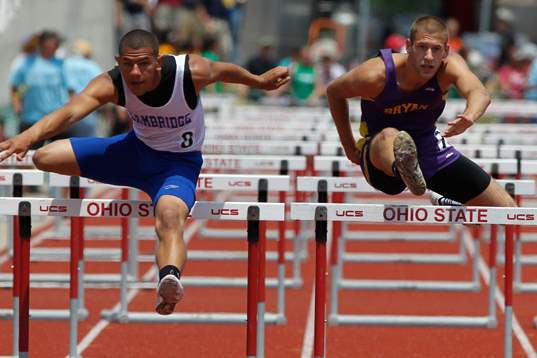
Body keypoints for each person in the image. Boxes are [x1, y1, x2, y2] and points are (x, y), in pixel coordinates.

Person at [0, 29, 290, 315]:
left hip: (177, 165)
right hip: (133, 154)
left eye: (143, 64)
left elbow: (223, 71)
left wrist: (258, 81)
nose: (135, 73)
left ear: (159, 61)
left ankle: (169, 277)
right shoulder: (112, 82)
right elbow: (71, 112)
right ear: (118, 61)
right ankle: (120, 178)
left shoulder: (188, 72)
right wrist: (28, 136)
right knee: (45, 156)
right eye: (127, 64)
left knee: (169, 216)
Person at [326, 15, 515, 208]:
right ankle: (406, 172)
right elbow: (334, 92)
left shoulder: (449, 67)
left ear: (446, 51)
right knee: (390, 135)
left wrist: (470, 115)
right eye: (422, 47)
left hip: (428, 147)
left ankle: (435, 189)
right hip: (380, 157)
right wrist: (349, 147)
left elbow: (479, 92)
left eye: (436, 49)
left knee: (509, 210)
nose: (429, 57)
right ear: (409, 46)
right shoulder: (376, 74)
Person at [10, 30, 68, 149]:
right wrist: (16, 104)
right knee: (26, 156)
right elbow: (14, 86)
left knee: (63, 157)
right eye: (54, 42)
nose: (57, 45)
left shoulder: (62, 64)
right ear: (44, 44)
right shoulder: (27, 63)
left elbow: (70, 89)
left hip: (56, 119)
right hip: (32, 119)